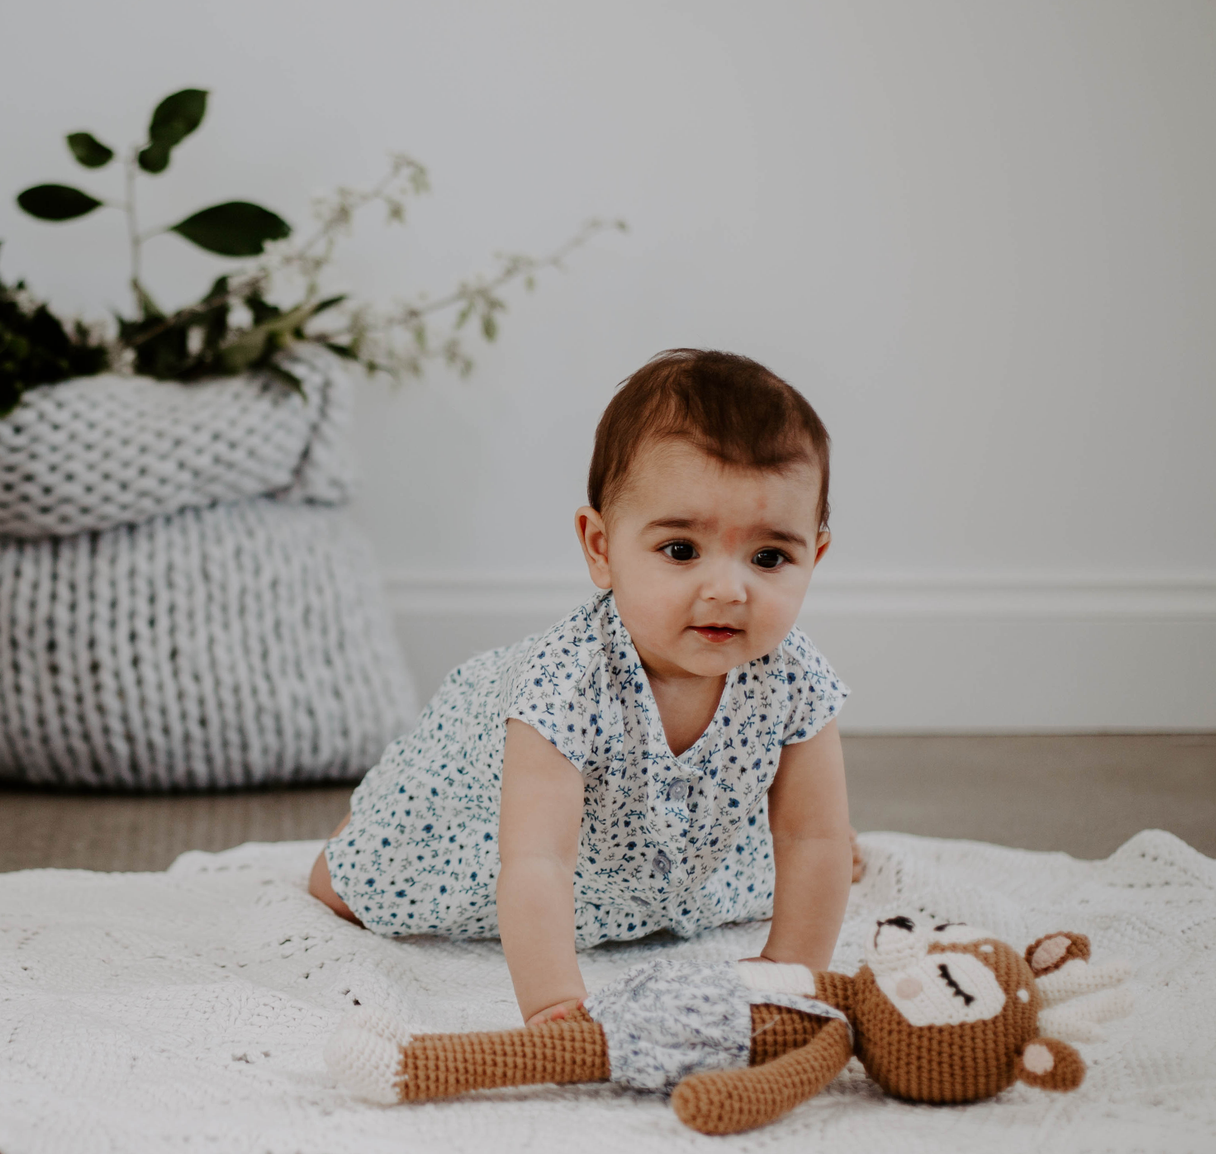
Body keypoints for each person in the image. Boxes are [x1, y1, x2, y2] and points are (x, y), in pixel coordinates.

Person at [309, 348, 858, 1027]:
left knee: (801, 871)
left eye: (770, 557)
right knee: (346, 886)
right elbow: (537, 861)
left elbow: (813, 839)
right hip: (493, 806)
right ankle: (359, 833)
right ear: (600, 548)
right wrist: (555, 1005)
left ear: (815, 556)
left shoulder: (794, 676)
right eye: (681, 551)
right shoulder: (564, 686)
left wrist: (791, 969)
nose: (727, 590)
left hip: (657, 843)